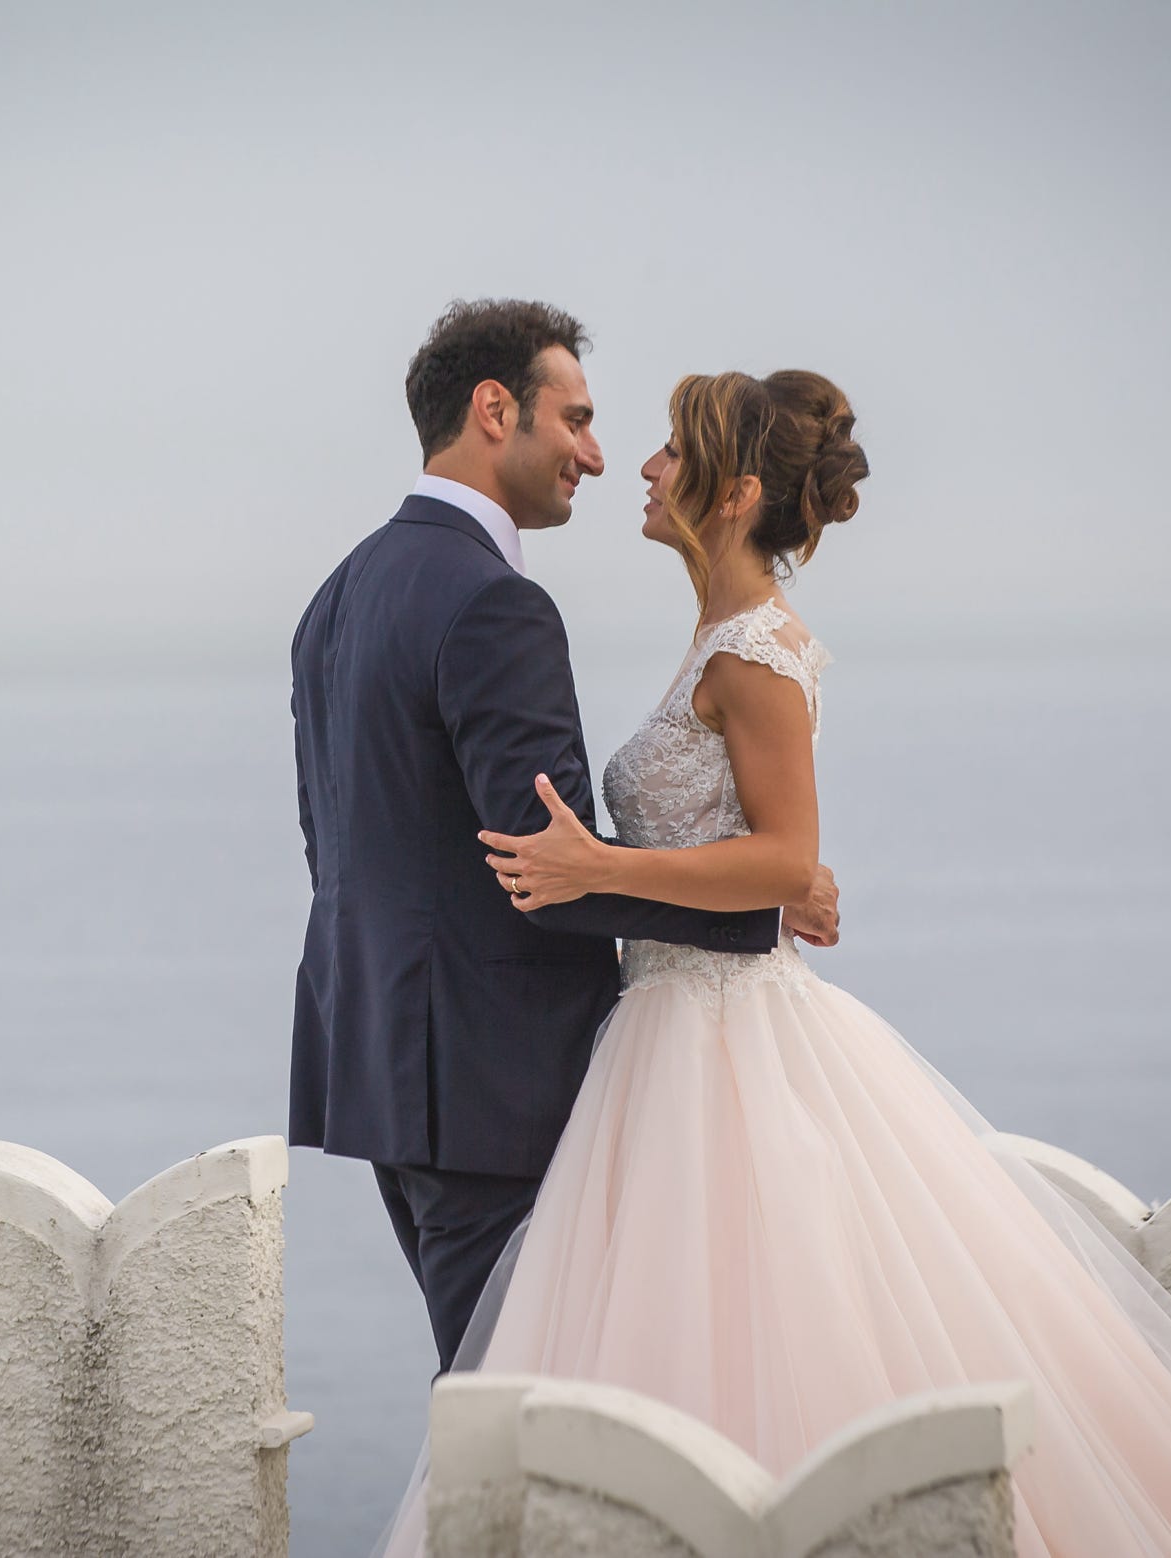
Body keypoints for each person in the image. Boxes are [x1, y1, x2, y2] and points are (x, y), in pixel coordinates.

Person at [391, 367, 1171, 1554]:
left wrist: (600, 870)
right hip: (659, 1030)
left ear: (734, 491)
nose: (642, 470)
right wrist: (717, 877)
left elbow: (779, 853)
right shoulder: (713, 636)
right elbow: (770, 859)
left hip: (722, 1041)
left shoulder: (757, 646)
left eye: (669, 452)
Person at [287, 299, 843, 1376]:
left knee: (511, 1395)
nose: (599, 454)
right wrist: (762, 907)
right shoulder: (493, 604)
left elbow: (337, 846)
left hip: (376, 1076)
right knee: (532, 1419)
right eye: (576, 419)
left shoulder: (338, 594)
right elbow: (541, 864)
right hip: (492, 1091)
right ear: (496, 411)